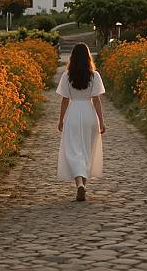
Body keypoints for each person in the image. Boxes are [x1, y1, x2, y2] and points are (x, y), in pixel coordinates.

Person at [57, 42, 106, 201]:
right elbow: (96, 100)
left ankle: (79, 183)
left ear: (72, 58)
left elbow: (65, 100)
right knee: (87, 150)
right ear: (87, 57)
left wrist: (61, 119)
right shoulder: (94, 75)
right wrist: (101, 121)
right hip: (88, 113)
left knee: (73, 150)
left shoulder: (67, 75)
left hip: (73, 113)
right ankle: (82, 184)